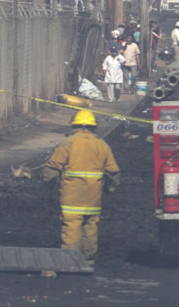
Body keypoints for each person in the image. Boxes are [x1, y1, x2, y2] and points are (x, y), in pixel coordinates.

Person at [42, 110, 120, 265]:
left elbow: (53, 166)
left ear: (75, 125)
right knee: (90, 226)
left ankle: (69, 261)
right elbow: (113, 171)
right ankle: (88, 260)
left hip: (73, 194)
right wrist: (111, 188)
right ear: (93, 127)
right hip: (93, 196)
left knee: (72, 226)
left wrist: (48, 181)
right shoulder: (102, 145)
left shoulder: (68, 143)